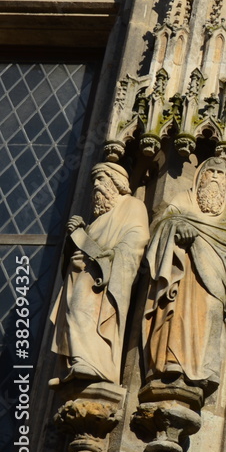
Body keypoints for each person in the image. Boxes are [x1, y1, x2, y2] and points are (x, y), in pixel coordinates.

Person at [143, 157, 226, 394]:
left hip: (214, 280)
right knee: (180, 312)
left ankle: (203, 368)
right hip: (183, 274)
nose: (215, 177)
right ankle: (172, 360)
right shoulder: (183, 200)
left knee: (209, 314)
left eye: (221, 174)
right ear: (200, 176)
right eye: (211, 172)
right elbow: (160, 226)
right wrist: (175, 226)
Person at [50, 162, 149, 386]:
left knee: (84, 309)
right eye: (94, 180)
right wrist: (75, 237)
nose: (96, 185)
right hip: (80, 278)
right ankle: (77, 362)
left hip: (100, 281)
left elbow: (135, 242)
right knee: (74, 313)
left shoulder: (132, 206)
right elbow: (78, 251)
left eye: (102, 179)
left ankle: (94, 363)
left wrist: (101, 259)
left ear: (117, 184)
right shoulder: (95, 221)